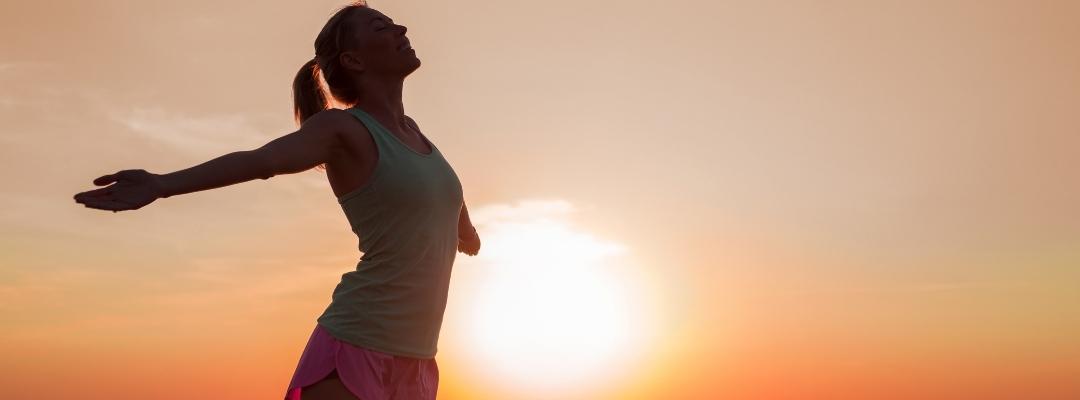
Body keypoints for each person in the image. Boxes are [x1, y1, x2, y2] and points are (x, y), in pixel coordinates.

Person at [72, 2, 480, 399]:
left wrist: (465, 228)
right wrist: (161, 185)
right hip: (358, 347)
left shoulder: (413, 133)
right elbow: (262, 161)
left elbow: (438, 190)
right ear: (353, 60)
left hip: (418, 361)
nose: (401, 30)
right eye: (381, 28)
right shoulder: (342, 129)